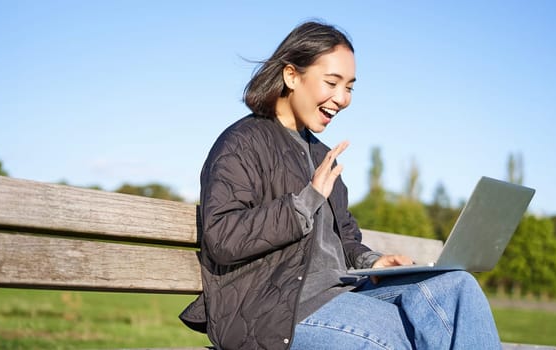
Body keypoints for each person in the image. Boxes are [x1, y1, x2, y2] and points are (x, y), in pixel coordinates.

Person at [179, 20, 502, 350]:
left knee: (457, 287)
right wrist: (305, 202)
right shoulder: (242, 143)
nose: (343, 98)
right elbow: (221, 236)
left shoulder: (321, 154)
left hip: (342, 292)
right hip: (274, 310)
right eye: (332, 82)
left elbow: (344, 238)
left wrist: (371, 261)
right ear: (292, 76)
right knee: (394, 333)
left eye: (349, 87)